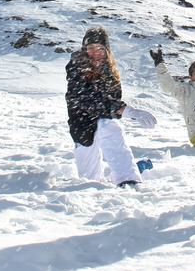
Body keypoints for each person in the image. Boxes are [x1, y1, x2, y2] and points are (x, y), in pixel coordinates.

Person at [66, 27, 158, 187]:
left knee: (109, 125)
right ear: (84, 50)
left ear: (106, 50)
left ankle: (128, 177)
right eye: (90, 49)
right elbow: (88, 100)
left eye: (100, 49)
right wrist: (128, 111)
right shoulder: (76, 69)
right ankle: (129, 169)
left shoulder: (110, 73)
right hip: (82, 128)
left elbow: (111, 103)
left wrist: (117, 110)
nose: (95, 53)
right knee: (90, 181)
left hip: (104, 122)